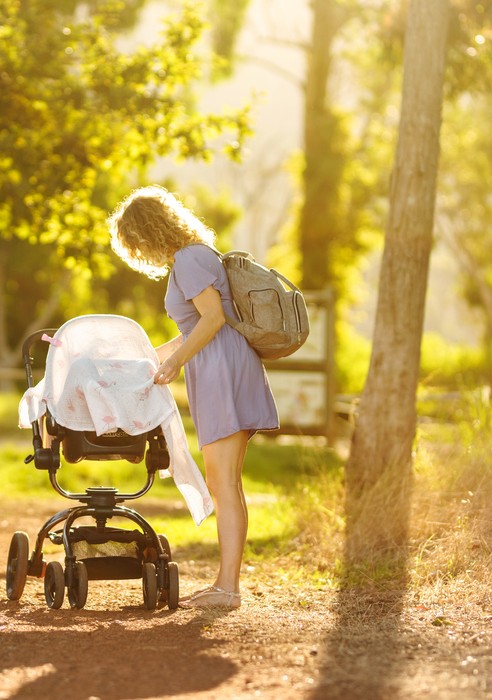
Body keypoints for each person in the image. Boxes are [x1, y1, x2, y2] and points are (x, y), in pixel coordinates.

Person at [107, 185, 279, 610]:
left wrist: (177, 362)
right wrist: (145, 359)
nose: (139, 252)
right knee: (227, 484)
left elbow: (214, 319)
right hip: (220, 366)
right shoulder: (194, 255)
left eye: (136, 242)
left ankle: (228, 589)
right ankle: (227, 585)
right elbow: (194, 328)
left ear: (147, 231)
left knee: (223, 485)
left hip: (221, 371)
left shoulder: (189, 258)